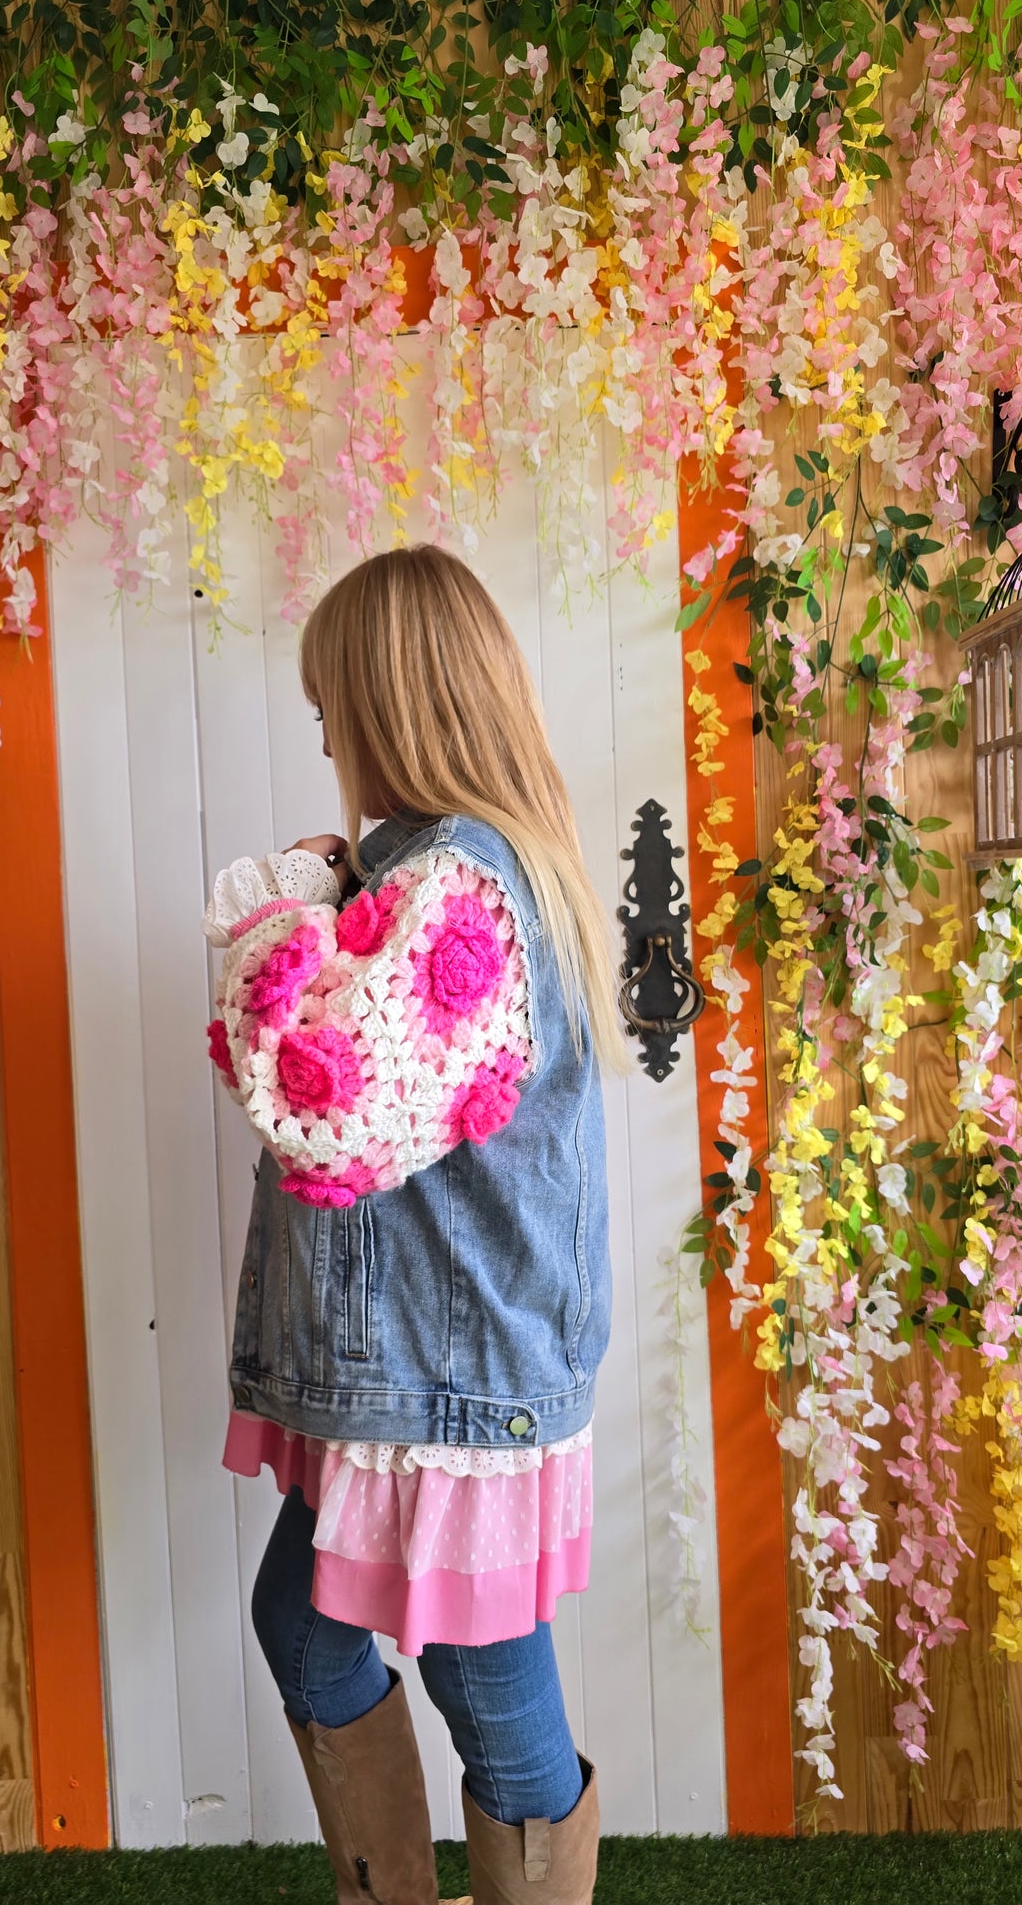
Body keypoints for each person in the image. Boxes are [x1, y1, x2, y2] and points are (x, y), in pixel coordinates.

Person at [203, 544, 622, 1904]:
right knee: (314, 1627)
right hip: (427, 1368)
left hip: (445, 1383)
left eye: (332, 708)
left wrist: (277, 913)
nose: (322, 733)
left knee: (478, 1674)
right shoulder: (463, 871)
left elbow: (334, 1110)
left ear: (389, 706)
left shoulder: (460, 884)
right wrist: (339, 898)